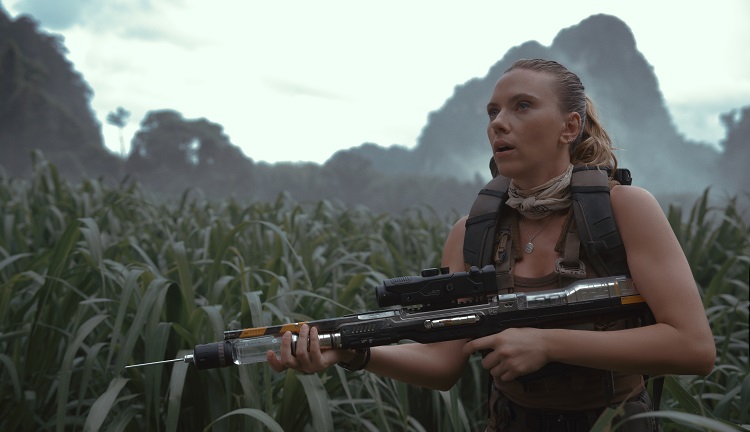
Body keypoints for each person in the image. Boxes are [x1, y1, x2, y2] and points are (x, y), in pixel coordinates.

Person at [266, 59, 716, 431]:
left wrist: (548, 344)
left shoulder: (623, 210)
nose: (499, 122)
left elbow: (693, 347)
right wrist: (351, 351)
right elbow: (443, 365)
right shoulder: (472, 233)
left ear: (569, 126)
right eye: (492, 112)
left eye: (522, 106)